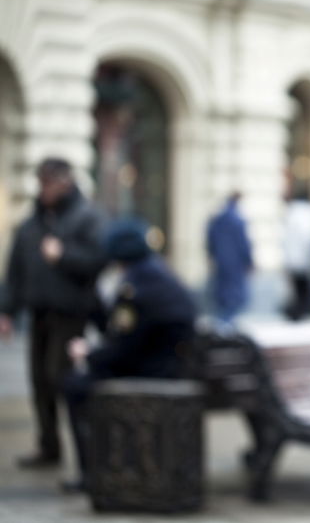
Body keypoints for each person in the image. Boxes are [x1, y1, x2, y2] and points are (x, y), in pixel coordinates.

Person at [61, 219, 198, 492]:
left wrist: (88, 355)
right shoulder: (159, 274)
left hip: (154, 371)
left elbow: (123, 347)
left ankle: (92, 474)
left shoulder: (133, 288)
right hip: (174, 366)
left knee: (75, 386)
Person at [0, 158, 105, 469]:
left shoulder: (86, 217)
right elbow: (15, 270)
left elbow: (97, 260)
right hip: (39, 311)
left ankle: (85, 454)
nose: (43, 188)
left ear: (65, 182)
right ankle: (49, 445)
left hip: (70, 312)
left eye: (49, 181)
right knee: (39, 382)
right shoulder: (32, 223)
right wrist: (6, 310)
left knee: (61, 379)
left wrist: (64, 256)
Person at [207, 192, 254, 323]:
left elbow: (210, 239)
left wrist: (211, 255)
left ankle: (223, 322)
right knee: (234, 295)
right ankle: (226, 323)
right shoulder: (238, 220)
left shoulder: (217, 219)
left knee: (222, 294)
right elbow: (243, 243)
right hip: (235, 263)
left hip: (221, 261)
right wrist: (249, 260)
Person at [282, 190, 310, 321]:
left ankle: (298, 313)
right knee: (305, 290)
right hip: (306, 259)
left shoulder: (291, 213)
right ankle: (303, 313)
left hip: (293, 260)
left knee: (297, 290)